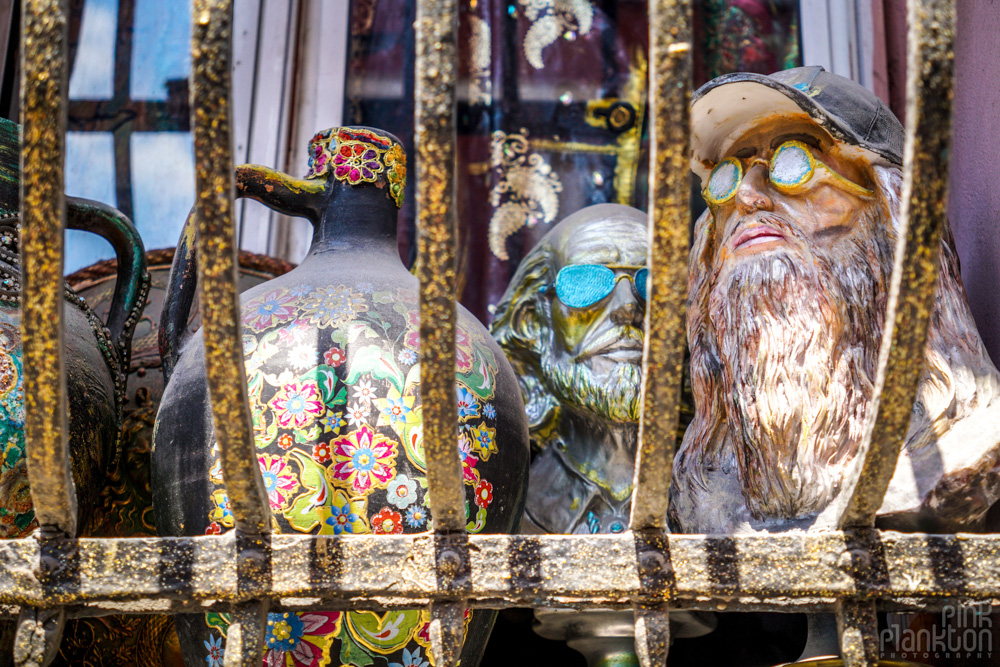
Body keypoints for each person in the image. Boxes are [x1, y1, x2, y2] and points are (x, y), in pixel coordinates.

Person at [671, 66, 1000, 534]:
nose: (746, 196)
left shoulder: (976, 439)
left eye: (793, 163)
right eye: (728, 177)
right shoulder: (704, 486)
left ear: (888, 211)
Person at [491, 203, 649, 535]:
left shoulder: (718, 501)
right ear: (534, 323)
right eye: (587, 282)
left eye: (653, 285)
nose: (627, 307)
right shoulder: (503, 505)